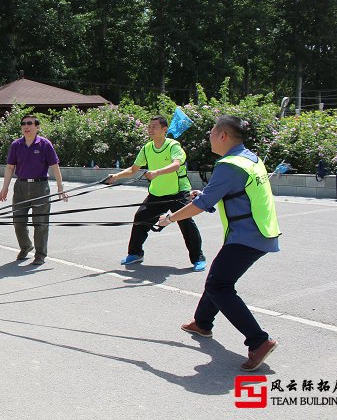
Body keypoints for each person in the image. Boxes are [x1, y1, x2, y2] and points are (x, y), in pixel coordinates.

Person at [157, 115, 280, 371]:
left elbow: (201, 206)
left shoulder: (229, 165)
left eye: (212, 131)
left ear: (223, 135)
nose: (209, 136)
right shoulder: (250, 159)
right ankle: (203, 322)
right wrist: (204, 194)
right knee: (218, 278)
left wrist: (169, 218)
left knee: (219, 285)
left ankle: (259, 340)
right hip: (260, 231)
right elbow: (233, 193)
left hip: (247, 236)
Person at [107, 115, 205, 271]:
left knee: (186, 223)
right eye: (149, 126)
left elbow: (176, 165)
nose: (150, 129)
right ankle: (135, 253)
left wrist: (157, 172)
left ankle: (198, 258)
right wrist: (116, 177)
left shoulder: (173, 146)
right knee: (140, 219)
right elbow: (134, 169)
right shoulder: (147, 148)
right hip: (157, 193)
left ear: (164, 130)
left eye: (154, 127)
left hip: (178, 192)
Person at [0, 113, 67, 266]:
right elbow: (10, 167)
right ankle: (26, 246)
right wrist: (5, 188)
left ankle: (40, 254)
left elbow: (55, 166)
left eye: (29, 123)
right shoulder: (16, 145)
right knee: (18, 221)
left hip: (40, 187)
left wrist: (60, 188)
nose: (26, 126)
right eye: (23, 124)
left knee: (40, 222)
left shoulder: (44, 144)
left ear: (37, 127)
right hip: (21, 187)